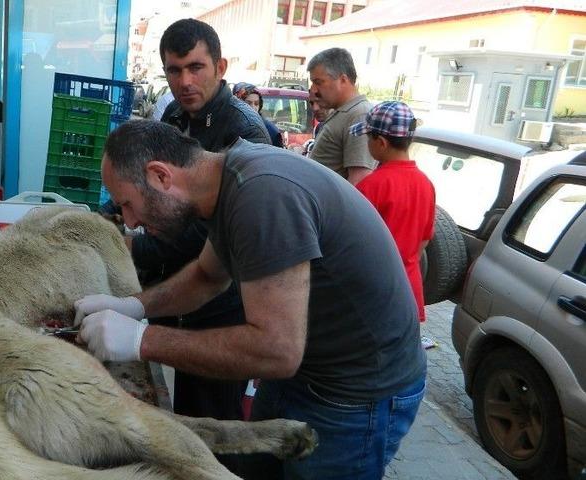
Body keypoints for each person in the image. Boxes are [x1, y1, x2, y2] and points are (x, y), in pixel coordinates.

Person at [75, 119, 426, 479]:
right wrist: (135, 306)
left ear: (161, 176)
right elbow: (206, 277)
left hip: (354, 395)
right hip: (303, 374)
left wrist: (141, 340)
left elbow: (276, 349)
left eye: (128, 205)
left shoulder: (261, 195)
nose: (131, 222)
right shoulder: (227, 182)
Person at [122, 18, 271, 431]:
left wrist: (138, 249)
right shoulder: (172, 114)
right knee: (177, 412)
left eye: (195, 67)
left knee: (213, 423)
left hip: (222, 303)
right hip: (177, 293)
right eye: (174, 70)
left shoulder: (245, 133)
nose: (184, 81)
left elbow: (217, 233)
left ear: (220, 67)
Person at [349, 101, 437, 349]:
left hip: (374, 294)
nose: (367, 144)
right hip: (409, 290)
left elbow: (356, 247)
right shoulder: (425, 184)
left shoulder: (371, 186)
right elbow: (424, 239)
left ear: (381, 142)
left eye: (368, 138)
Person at [307, 47, 377, 185]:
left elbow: (359, 180)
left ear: (343, 80)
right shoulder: (344, 112)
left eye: (318, 82)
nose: (313, 90)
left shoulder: (359, 115)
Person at [232, 82, 284, 147]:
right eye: (248, 103)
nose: (253, 107)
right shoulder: (227, 124)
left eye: (256, 104)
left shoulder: (271, 130)